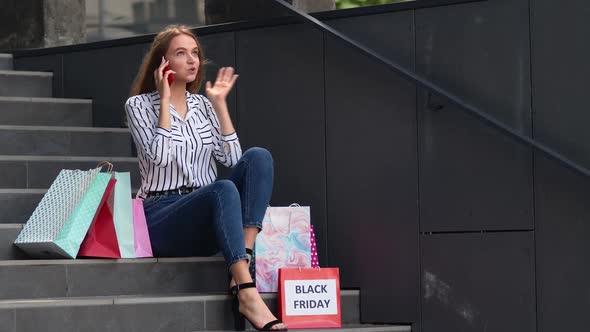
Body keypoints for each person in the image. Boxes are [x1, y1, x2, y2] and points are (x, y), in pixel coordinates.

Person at [125, 25, 287, 331]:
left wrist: (220, 104)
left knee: (258, 157)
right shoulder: (138, 105)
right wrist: (163, 100)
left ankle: (245, 256)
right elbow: (159, 156)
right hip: (160, 215)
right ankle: (247, 292)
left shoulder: (202, 105)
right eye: (181, 53)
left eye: (195, 53)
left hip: (205, 211)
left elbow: (232, 158)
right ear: (163, 62)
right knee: (222, 189)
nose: (192, 60)